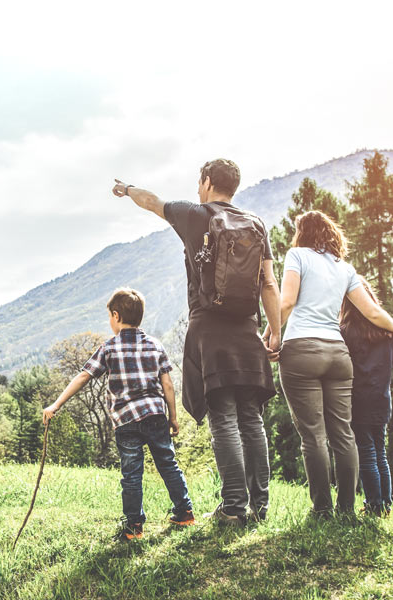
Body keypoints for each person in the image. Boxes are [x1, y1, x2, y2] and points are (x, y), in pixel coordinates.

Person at [113, 159, 281, 524]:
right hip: (248, 329)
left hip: (210, 329)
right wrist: (275, 330)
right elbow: (269, 283)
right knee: (252, 419)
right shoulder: (255, 224)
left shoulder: (195, 215)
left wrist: (126, 189)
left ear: (206, 182)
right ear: (233, 186)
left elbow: (152, 201)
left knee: (223, 417)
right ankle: (259, 508)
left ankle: (234, 507)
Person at [264, 210, 393, 516]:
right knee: (344, 434)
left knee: (313, 435)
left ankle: (322, 509)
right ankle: (348, 509)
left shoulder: (296, 256)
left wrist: (272, 336)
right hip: (338, 356)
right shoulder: (345, 268)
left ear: (302, 233)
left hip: (301, 351)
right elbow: (374, 313)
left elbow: (285, 302)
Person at [43, 288, 194, 540]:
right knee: (168, 463)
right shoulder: (155, 345)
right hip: (156, 415)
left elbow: (84, 376)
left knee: (132, 473)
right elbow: (167, 384)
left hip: (126, 420)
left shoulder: (109, 348)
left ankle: (134, 527)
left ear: (115, 315)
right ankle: (184, 512)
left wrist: (55, 405)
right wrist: (173, 416)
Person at [340, 276, 393, 517]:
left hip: (359, 401)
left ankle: (375, 505)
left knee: (366, 452)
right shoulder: (385, 333)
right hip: (381, 401)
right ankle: (384, 504)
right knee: (380, 452)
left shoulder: (345, 333)